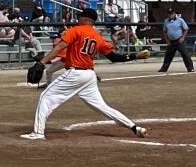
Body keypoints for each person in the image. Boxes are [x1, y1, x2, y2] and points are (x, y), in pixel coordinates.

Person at [21, 8, 148, 141]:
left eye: (81, 17)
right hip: (89, 76)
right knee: (102, 106)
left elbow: (59, 47)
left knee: (46, 96)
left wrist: (41, 63)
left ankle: (38, 133)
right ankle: (134, 127)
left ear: (87, 19)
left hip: (76, 73)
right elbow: (114, 57)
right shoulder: (98, 37)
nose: (78, 19)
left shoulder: (76, 30)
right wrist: (135, 56)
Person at [159, 8, 194, 73]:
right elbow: (164, 31)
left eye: (172, 13)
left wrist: (183, 37)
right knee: (168, 55)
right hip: (171, 41)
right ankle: (164, 68)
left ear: (175, 14)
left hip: (179, 40)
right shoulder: (166, 21)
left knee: (185, 54)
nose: (171, 15)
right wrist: (167, 40)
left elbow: (186, 29)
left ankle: (190, 68)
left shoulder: (180, 20)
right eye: (169, 14)